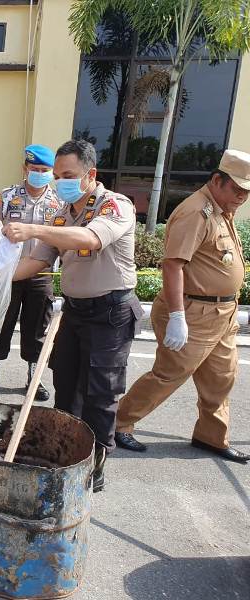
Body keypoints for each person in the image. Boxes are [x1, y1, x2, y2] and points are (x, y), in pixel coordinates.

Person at [4, 139, 141, 493]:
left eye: (68, 175)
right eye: (58, 175)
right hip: (74, 313)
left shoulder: (115, 206)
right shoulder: (62, 213)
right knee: (66, 388)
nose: (60, 181)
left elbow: (91, 239)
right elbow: (37, 261)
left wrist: (33, 228)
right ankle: (66, 455)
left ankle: (94, 465)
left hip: (110, 313)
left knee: (100, 394)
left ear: (89, 174)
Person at [114, 150, 250, 464]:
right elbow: (173, 266)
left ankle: (211, 436)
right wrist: (177, 316)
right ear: (217, 180)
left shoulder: (222, 210)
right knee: (168, 374)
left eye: (246, 192)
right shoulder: (196, 212)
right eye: (237, 190)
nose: (242, 197)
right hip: (193, 312)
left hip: (223, 313)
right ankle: (118, 422)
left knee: (221, 378)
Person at [0, 144, 61, 401]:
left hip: (41, 273)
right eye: (34, 169)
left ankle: (34, 377)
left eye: (44, 170)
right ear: (25, 168)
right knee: (1, 323)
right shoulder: (5, 197)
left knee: (37, 328)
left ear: (51, 172)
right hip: (8, 273)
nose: (38, 173)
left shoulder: (59, 203)